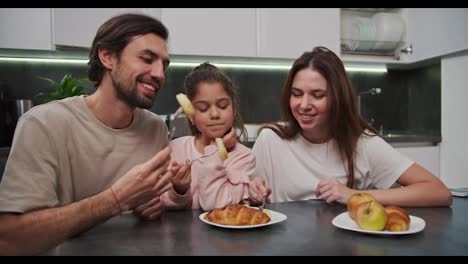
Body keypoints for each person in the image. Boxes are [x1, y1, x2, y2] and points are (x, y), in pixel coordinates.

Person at [0, 13, 191, 255]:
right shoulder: (43, 124)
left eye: (164, 65)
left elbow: (152, 208)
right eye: (147, 59)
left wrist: (150, 206)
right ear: (107, 56)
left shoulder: (154, 129)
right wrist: (116, 199)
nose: (160, 74)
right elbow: (9, 240)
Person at [249, 46, 452, 208]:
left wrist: (356, 196)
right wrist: (252, 193)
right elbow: (247, 201)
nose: (303, 105)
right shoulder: (270, 139)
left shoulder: (363, 144)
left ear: (338, 98)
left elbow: (438, 192)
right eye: (297, 93)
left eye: (317, 95)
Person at [161, 63, 255, 211]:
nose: (215, 114)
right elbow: (163, 205)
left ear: (234, 109)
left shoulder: (244, 158)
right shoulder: (176, 148)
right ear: (191, 115)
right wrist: (179, 190)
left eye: (223, 106)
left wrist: (216, 150)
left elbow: (213, 205)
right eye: (203, 108)